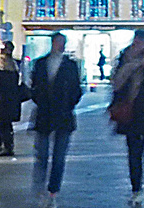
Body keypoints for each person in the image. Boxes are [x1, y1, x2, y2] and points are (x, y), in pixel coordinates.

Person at [30, 32, 83, 207]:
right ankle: (40, 187)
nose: (60, 45)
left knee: (59, 157)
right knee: (42, 155)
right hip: (45, 115)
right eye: (58, 42)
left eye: (62, 42)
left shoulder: (70, 65)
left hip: (63, 115)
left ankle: (53, 191)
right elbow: (35, 87)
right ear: (52, 43)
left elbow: (77, 89)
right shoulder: (40, 64)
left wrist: (68, 104)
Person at [109, 29, 144, 208]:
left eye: (140, 41)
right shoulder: (125, 58)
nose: (136, 44)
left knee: (138, 151)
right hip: (128, 113)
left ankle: (137, 188)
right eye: (136, 40)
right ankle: (136, 189)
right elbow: (116, 83)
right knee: (133, 153)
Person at [0, 42, 23, 157]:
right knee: (6, 124)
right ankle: (7, 145)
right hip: (11, 100)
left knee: (0, 124)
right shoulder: (14, 69)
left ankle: (4, 146)